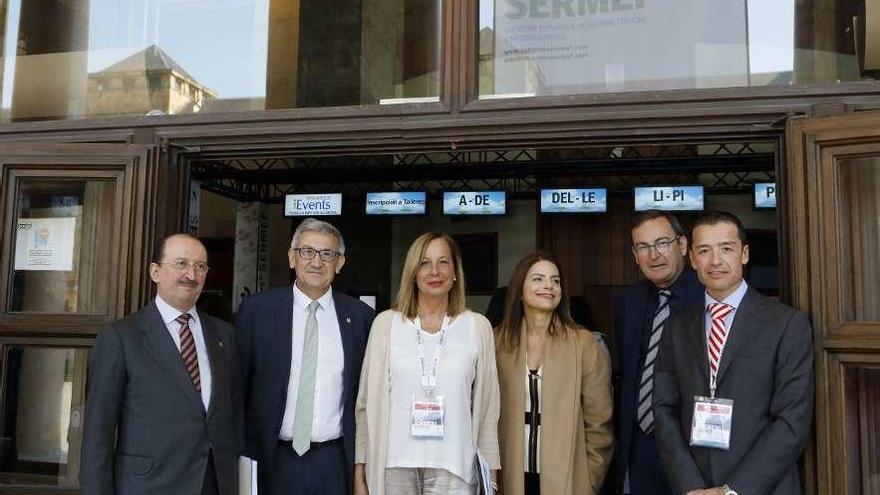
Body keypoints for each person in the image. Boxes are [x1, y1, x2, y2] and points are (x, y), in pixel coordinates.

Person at [653, 211, 814, 495]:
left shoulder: (786, 323)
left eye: (726, 248)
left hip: (763, 487)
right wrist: (690, 486)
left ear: (744, 254)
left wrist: (733, 491)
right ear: (692, 259)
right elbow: (664, 410)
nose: (715, 261)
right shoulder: (676, 328)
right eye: (704, 251)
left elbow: (792, 420)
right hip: (695, 486)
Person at [81, 233, 240, 495]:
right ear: (155, 272)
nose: (191, 274)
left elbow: (231, 417)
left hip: (214, 484)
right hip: (149, 486)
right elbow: (98, 434)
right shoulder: (121, 337)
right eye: (181, 264)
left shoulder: (224, 335)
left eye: (200, 266)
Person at [355, 232, 500, 495]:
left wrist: (491, 478)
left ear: (455, 272)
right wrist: (359, 473)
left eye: (443, 262)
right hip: (393, 467)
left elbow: (489, 410)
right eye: (424, 263)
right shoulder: (386, 324)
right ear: (413, 272)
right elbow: (365, 406)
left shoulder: (477, 327)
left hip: (455, 467)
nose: (435, 271)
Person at [237, 218, 375, 495]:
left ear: (340, 263)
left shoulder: (361, 318)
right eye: (307, 251)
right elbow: (238, 386)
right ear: (292, 258)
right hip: (272, 457)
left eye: (328, 254)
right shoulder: (257, 312)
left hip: (334, 460)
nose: (316, 262)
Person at [495, 251, 614, 495]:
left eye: (556, 280)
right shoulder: (497, 342)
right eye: (538, 279)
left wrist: (591, 478)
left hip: (568, 477)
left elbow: (600, 420)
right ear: (519, 290)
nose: (549, 286)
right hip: (510, 471)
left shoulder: (583, 343)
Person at [614, 209, 704, 495]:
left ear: (682, 245)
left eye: (662, 243)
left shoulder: (709, 297)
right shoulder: (627, 301)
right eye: (643, 247)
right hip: (639, 447)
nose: (654, 255)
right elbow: (627, 374)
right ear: (634, 254)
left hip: (693, 448)